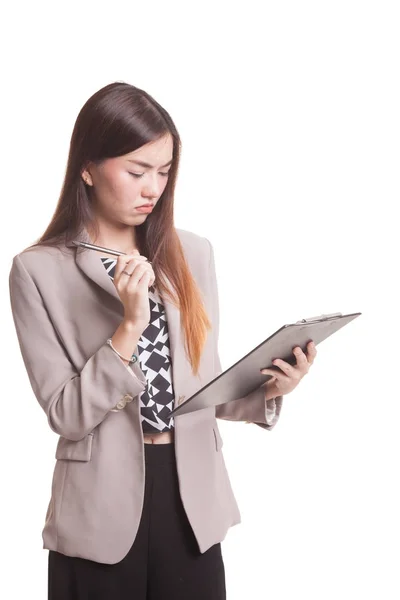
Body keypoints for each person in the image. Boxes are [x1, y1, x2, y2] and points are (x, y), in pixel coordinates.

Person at [8, 81, 317, 600]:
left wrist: (270, 389)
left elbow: (203, 389)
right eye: (136, 170)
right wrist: (128, 327)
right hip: (99, 506)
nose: (153, 187)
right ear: (87, 167)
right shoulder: (38, 271)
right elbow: (66, 414)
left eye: (164, 171)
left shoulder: (192, 254)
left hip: (191, 498)